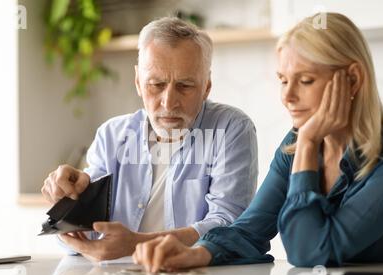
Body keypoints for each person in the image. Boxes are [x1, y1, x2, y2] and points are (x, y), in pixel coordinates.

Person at [133, 12, 383, 272]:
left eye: (305, 81)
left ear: (352, 80)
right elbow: (249, 230)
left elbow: (310, 251)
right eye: (283, 80)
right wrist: (196, 254)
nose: (288, 96)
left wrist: (306, 143)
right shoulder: (296, 144)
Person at [41, 17, 258, 261]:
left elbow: (228, 226)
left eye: (185, 86)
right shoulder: (112, 135)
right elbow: (84, 238)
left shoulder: (231, 128)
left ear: (206, 86)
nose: (169, 102)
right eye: (156, 84)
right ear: (138, 82)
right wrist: (66, 205)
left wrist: (136, 244)